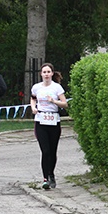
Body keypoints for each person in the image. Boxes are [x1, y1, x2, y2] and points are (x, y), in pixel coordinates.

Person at [30, 62, 68, 191]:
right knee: (45, 151)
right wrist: (33, 107)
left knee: (52, 151)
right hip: (41, 121)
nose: (46, 74)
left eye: (48, 72)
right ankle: (45, 179)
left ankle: (51, 174)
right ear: (41, 74)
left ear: (52, 73)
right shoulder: (36, 87)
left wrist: (54, 101)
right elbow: (33, 98)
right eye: (44, 72)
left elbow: (64, 104)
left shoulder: (57, 88)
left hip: (53, 121)